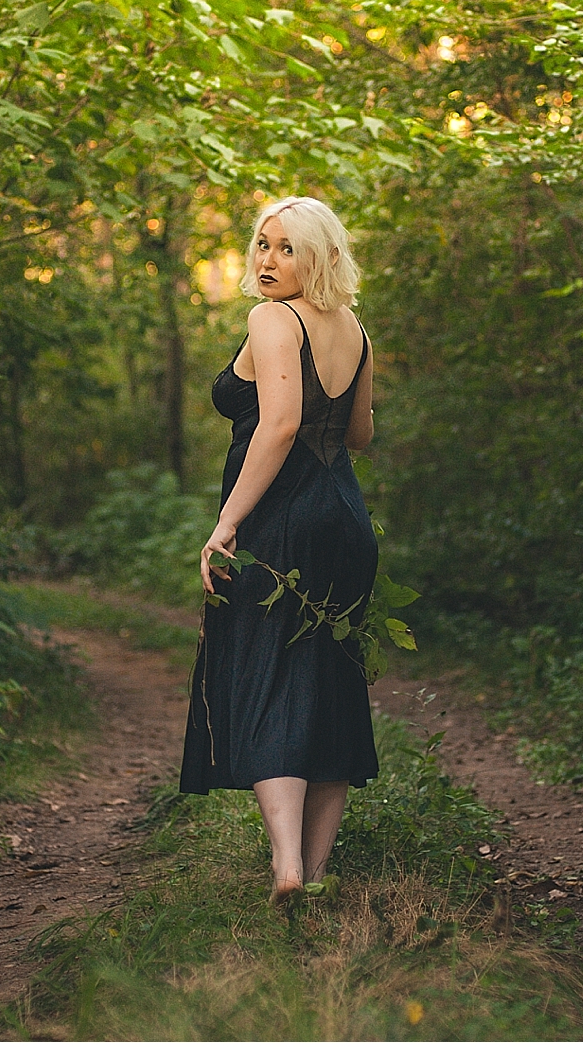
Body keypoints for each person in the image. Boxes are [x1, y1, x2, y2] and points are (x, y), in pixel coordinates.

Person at [179, 195, 380, 909]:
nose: (267, 260)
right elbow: (357, 436)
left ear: (320, 257)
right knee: (328, 686)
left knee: (267, 677)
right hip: (345, 521)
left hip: (282, 524)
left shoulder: (271, 319)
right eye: (262, 244)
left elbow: (281, 424)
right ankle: (313, 876)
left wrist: (226, 522)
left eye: (287, 248)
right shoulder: (351, 326)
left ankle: (288, 867)